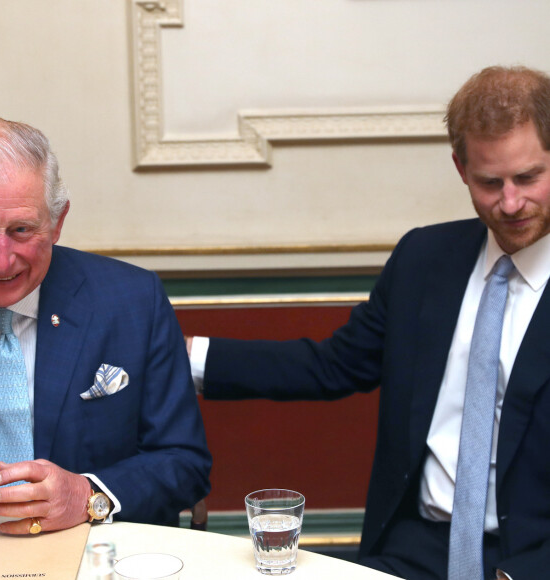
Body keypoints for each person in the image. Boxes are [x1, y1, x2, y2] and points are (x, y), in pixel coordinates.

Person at [186, 65, 550, 580]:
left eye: (528, 177)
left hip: (533, 558)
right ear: (461, 169)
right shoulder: (426, 259)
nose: (510, 203)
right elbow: (332, 365)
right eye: (491, 182)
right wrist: (183, 358)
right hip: (411, 548)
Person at [0, 117, 211, 536]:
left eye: (23, 230)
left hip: (95, 555)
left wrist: (87, 496)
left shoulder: (131, 301)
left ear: (58, 221)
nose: (1, 259)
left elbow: (184, 463)